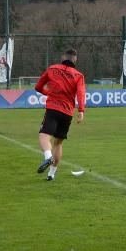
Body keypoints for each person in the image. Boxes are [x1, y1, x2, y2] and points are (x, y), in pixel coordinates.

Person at [34, 49, 86, 181]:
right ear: (75, 60)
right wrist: (81, 111)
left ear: (63, 58)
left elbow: (38, 87)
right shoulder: (78, 75)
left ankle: (47, 157)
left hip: (53, 109)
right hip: (67, 113)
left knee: (44, 136)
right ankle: (51, 174)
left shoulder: (52, 69)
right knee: (58, 143)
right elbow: (80, 93)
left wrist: (48, 93)